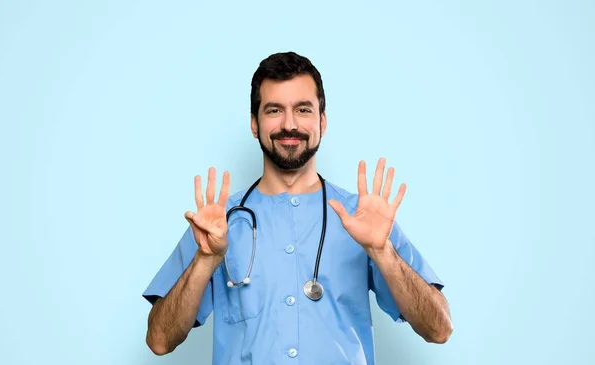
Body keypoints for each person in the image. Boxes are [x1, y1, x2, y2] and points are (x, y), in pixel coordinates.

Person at [142, 51, 453, 364]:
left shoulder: (363, 218)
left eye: (303, 110)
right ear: (254, 123)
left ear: (322, 120)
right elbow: (159, 340)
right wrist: (205, 259)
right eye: (274, 110)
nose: (289, 124)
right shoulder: (218, 222)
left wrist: (383, 253)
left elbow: (439, 329)